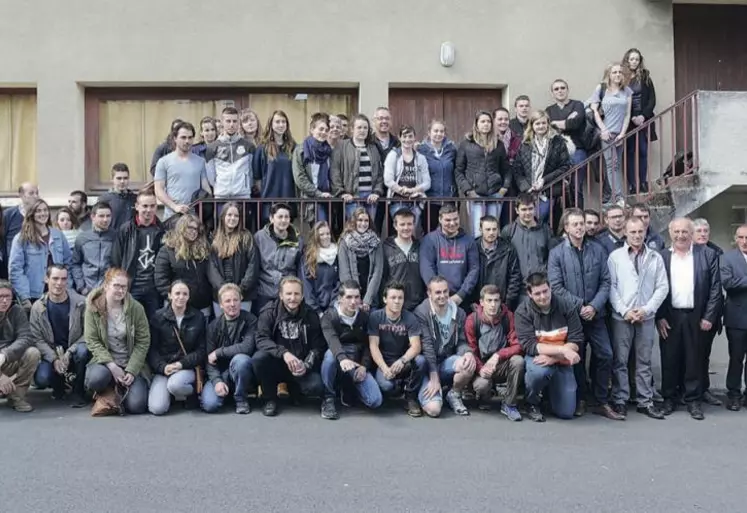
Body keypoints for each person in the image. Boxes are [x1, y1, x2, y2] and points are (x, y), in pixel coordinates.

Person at [547, 208, 622, 420]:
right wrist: (580, 306)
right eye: (575, 224)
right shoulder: (557, 254)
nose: (580, 228)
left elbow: (606, 281)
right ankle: (580, 398)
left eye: (582, 223)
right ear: (567, 227)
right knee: (577, 359)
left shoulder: (597, 250)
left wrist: (594, 306)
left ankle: (600, 400)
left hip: (596, 316)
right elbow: (556, 286)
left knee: (605, 354)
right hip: (572, 317)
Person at [656, 218, 722, 420]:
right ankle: (669, 398)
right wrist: (659, 317)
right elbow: (655, 288)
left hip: (697, 316)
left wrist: (709, 316)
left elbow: (715, 289)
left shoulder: (707, 255)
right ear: (670, 232)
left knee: (694, 360)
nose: (680, 235)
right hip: (671, 316)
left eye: (685, 231)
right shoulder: (662, 257)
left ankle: (693, 400)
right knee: (669, 358)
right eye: (676, 232)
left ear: (691, 233)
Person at [608, 217, 668, 419]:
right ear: (625, 232)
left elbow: (662, 287)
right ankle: (620, 400)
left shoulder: (655, 257)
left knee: (644, 362)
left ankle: (645, 401)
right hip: (621, 317)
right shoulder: (615, 257)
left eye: (640, 231)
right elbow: (611, 287)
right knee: (620, 361)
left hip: (646, 317)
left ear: (645, 232)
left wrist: (646, 309)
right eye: (632, 232)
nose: (637, 235)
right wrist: (625, 311)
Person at [514, 272, 583, 422]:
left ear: (550, 288)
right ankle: (531, 402)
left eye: (545, 291)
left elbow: (576, 340)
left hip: (561, 361)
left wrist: (555, 357)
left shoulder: (566, 305)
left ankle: (550, 395)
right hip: (538, 358)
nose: (543, 297)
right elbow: (530, 346)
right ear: (529, 294)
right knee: (538, 373)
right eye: (537, 293)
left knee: (566, 412)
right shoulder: (522, 311)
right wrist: (563, 350)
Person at [252, 276, 325, 417]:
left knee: (316, 386)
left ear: (302, 295)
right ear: (280, 295)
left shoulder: (310, 315)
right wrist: (284, 353)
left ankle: (294, 389)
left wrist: (307, 365)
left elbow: (318, 346)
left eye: (297, 294)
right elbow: (261, 339)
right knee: (259, 358)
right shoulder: (269, 312)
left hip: (300, 365)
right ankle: (269, 399)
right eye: (288, 294)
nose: (293, 298)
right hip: (277, 363)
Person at [84, 268, 150, 415]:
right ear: (106, 285)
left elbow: (143, 341)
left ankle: (116, 394)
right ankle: (106, 391)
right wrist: (112, 366)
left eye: (124, 287)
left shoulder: (136, 309)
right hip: (105, 363)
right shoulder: (93, 307)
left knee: (137, 407)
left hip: (129, 361)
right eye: (116, 286)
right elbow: (92, 340)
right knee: (96, 379)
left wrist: (132, 370)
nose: (120, 290)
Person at [320, 281, 382, 420]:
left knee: (375, 400)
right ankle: (328, 398)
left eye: (357, 297)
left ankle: (348, 387)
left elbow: (368, 344)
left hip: (357, 361)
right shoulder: (329, 317)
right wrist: (342, 358)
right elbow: (332, 340)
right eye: (348, 297)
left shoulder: (365, 317)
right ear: (340, 298)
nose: (353, 302)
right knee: (330, 356)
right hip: (337, 358)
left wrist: (364, 366)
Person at [414, 276, 474, 417]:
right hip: (427, 367)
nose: (442, 296)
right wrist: (434, 377)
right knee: (434, 410)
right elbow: (427, 346)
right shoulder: (421, 312)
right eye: (438, 292)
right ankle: (424, 391)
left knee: (467, 364)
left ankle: (453, 393)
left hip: (446, 362)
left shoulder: (459, 313)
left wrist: (467, 353)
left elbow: (461, 341)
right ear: (429, 294)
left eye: (445, 291)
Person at [31, 265, 90, 407]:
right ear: (46, 279)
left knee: (82, 351)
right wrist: (54, 359)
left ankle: (78, 392)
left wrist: (69, 352)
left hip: (74, 351)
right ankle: (59, 384)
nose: (59, 283)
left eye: (63, 279)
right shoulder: (38, 307)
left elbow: (88, 333)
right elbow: (37, 339)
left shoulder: (81, 302)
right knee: (42, 379)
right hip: (52, 353)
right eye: (55, 278)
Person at [147, 281, 206, 415]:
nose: (181, 297)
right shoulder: (157, 317)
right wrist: (162, 367)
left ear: (189, 297)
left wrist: (181, 364)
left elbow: (201, 350)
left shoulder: (198, 317)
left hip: (186, 366)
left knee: (175, 385)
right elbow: (152, 349)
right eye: (177, 293)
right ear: (169, 295)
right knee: (157, 408)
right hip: (164, 368)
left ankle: (192, 393)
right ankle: (168, 395)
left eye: (185, 294)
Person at [466, 285, 524, 421]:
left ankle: (509, 404)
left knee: (518, 361)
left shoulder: (508, 316)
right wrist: (480, 369)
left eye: (496, 300)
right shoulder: (472, 320)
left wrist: (498, 355)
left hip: (501, 363)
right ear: (481, 302)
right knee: (482, 386)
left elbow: (518, 345)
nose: (493, 305)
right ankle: (484, 397)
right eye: (489, 300)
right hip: (482, 366)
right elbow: (471, 349)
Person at [368, 281, 426, 417]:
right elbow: (373, 345)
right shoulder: (376, 317)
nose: (397, 301)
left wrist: (402, 361)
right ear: (384, 299)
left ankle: (410, 396)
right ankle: (397, 388)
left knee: (421, 361)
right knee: (386, 386)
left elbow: (416, 346)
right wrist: (384, 368)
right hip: (384, 362)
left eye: (400, 298)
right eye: (393, 298)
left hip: (403, 361)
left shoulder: (410, 317)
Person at [202, 283, 258, 414]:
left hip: (242, 372)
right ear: (221, 305)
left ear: (241, 300)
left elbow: (247, 347)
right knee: (210, 405)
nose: (232, 304)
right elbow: (209, 360)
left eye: (235, 300)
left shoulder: (251, 320)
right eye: (227, 301)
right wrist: (217, 381)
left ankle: (241, 399)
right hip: (221, 372)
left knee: (241, 360)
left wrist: (219, 352)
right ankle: (226, 391)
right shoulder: (213, 326)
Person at [454, 110, 511, 236]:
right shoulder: (466, 144)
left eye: (489, 121)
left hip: (495, 194)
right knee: (477, 232)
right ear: (476, 124)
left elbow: (506, 169)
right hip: (475, 195)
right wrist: (468, 190)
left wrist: (504, 189)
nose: (486, 124)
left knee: (493, 231)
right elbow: (458, 171)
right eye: (483, 121)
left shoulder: (498, 144)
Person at [110, 190, 165, 320]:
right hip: (132, 286)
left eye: (152, 206)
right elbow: (116, 259)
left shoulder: (162, 229)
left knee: (154, 325)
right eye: (145, 206)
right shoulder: (126, 229)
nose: (149, 210)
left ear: (156, 207)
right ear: (137, 206)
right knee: (130, 324)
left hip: (154, 288)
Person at [9, 199, 72, 310]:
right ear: (31, 214)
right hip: (33, 295)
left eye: (45, 210)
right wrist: (24, 297)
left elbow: (68, 263)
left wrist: (68, 287)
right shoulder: (21, 238)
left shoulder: (58, 235)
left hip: (58, 292)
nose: (43, 213)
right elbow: (15, 270)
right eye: (38, 211)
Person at [512, 110, 572, 225]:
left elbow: (565, 166)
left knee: (540, 219)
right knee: (527, 222)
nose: (541, 126)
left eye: (543, 123)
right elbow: (517, 170)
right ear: (532, 126)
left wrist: (544, 181)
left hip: (548, 190)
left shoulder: (557, 142)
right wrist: (527, 187)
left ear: (548, 124)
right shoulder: (525, 144)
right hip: (529, 193)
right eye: (537, 123)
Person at [419, 204, 479, 310]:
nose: (452, 223)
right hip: (436, 299)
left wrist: (461, 294)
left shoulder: (469, 241)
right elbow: (426, 269)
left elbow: (474, 269)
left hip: (461, 300)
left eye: (455, 219)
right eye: (447, 220)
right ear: (440, 220)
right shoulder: (430, 240)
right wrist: (439, 293)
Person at [590, 63, 633, 206]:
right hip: (606, 133)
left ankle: (617, 197)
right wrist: (603, 129)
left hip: (619, 134)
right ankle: (619, 197)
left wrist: (622, 133)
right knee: (612, 165)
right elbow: (594, 110)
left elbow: (627, 114)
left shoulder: (627, 91)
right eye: (614, 72)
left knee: (617, 164)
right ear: (609, 74)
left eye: (620, 72)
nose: (617, 74)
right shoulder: (601, 89)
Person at [154, 214, 212, 318]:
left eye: (196, 229)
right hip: (177, 306)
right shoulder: (168, 250)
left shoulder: (203, 250)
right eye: (190, 227)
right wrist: (177, 298)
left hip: (202, 305)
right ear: (181, 227)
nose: (194, 231)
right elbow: (161, 279)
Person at [207, 202, 259, 317]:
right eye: (229, 215)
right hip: (220, 294)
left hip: (243, 295)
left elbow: (253, 265)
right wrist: (223, 289)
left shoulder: (247, 237)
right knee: (222, 328)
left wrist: (240, 289)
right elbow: (211, 266)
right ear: (223, 217)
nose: (233, 218)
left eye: (236, 216)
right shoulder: (214, 238)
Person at [692, 217, 724, 406]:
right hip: (688, 314)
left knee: (704, 355)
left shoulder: (716, 252)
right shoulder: (685, 252)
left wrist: (710, 316)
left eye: (706, 231)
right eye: (699, 231)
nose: (703, 234)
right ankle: (687, 390)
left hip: (709, 315)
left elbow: (717, 289)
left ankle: (703, 389)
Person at [154, 121, 211, 220]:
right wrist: (174, 207)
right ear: (175, 138)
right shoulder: (164, 161)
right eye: (183, 137)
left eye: (190, 137)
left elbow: (206, 188)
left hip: (194, 218)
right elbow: (158, 190)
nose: (187, 141)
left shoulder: (200, 161)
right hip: (172, 217)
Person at [331, 113, 384, 220]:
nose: (362, 130)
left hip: (370, 197)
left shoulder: (373, 148)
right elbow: (335, 171)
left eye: (365, 128)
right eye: (359, 127)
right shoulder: (341, 146)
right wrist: (341, 193)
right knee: (354, 226)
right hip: (352, 197)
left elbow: (379, 173)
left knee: (369, 227)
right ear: (352, 129)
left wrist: (377, 192)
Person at [253, 203, 302, 315]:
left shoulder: (297, 240)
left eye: (286, 217)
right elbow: (255, 265)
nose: (283, 220)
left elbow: (299, 268)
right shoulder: (259, 237)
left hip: (287, 294)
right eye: (280, 217)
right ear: (271, 218)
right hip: (264, 291)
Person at [0, 280, 40, 412]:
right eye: (1, 297)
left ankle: (16, 396)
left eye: (8, 297)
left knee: (32, 353)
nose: (5, 301)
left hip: (6, 359)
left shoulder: (17, 311)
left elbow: (25, 337)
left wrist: (5, 355)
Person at [623, 48, 657, 194]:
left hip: (643, 118)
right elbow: (620, 99)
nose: (634, 62)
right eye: (631, 59)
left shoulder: (645, 76)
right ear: (627, 60)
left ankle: (643, 182)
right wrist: (631, 117)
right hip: (628, 120)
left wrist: (643, 116)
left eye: (636, 59)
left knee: (642, 150)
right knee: (630, 152)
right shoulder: (621, 77)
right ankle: (632, 184)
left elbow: (652, 99)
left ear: (640, 61)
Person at [254, 110, 298, 224]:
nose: (281, 125)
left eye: (284, 122)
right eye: (277, 122)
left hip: (289, 199)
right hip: (269, 201)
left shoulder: (293, 147)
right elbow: (257, 177)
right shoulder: (262, 148)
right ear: (271, 125)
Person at [470, 215, 522, 312]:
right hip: (477, 306)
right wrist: (471, 302)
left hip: (502, 306)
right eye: (488, 229)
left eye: (494, 229)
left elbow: (514, 278)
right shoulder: (472, 248)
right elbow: (467, 276)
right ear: (480, 230)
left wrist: (507, 303)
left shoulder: (508, 249)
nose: (491, 232)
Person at [720, 225, 747, 411]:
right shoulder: (727, 258)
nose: (745, 241)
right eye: (741, 237)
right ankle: (734, 395)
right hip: (737, 318)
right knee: (736, 358)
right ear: (735, 238)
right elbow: (728, 283)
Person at [384, 125, 430, 231]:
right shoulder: (393, 155)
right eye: (404, 136)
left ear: (414, 138)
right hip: (397, 201)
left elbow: (427, 182)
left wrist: (413, 190)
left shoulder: (420, 158)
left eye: (410, 136)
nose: (407, 139)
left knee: (412, 232)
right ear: (399, 138)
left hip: (416, 202)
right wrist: (402, 190)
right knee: (401, 231)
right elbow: (388, 179)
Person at [204, 107, 255, 203]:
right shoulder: (212, 147)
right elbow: (211, 176)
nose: (232, 124)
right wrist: (219, 188)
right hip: (221, 197)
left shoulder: (249, 146)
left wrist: (245, 186)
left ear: (238, 122)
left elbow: (252, 173)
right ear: (222, 122)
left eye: (235, 121)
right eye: (228, 121)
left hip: (243, 197)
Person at [292, 112, 334, 226]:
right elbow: (300, 178)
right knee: (320, 230)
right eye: (321, 129)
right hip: (311, 199)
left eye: (326, 130)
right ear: (312, 129)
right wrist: (318, 193)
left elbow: (333, 175)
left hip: (329, 199)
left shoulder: (329, 151)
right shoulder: (301, 150)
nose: (324, 132)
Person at [338, 207, 383, 312]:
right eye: (360, 220)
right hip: (351, 300)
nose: (363, 223)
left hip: (371, 299)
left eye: (366, 220)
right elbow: (345, 274)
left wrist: (367, 300)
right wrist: (355, 299)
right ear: (354, 221)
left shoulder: (376, 242)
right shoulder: (345, 242)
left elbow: (378, 272)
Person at [501, 193, 552, 283]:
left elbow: (551, 257)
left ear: (535, 209)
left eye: (530, 209)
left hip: (541, 285)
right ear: (517, 210)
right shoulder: (508, 230)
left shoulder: (545, 230)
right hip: (518, 286)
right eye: (524, 209)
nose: (527, 213)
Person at [381, 209, 425, 312]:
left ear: (414, 225)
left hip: (417, 305)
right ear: (395, 226)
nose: (406, 228)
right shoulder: (386, 248)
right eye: (402, 224)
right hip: (394, 304)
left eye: (409, 224)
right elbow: (382, 277)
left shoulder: (420, 247)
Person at [418, 119, 457, 232]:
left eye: (441, 131)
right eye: (435, 131)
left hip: (449, 198)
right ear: (429, 132)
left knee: (449, 231)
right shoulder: (421, 150)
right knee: (429, 232)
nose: (438, 134)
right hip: (430, 200)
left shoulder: (452, 149)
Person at [71, 202, 115, 295]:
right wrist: (81, 287)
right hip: (87, 289)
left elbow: (119, 264)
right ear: (93, 217)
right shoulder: (82, 238)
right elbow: (75, 263)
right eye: (101, 216)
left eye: (108, 216)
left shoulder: (116, 237)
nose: (105, 219)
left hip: (108, 289)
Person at [546, 79, 589, 168]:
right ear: (552, 93)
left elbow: (575, 123)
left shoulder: (578, 104)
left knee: (577, 179)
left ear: (567, 90)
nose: (560, 91)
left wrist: (554, 123)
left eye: (562, 88)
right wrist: (567, 120)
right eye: (556, 89)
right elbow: (548, 128)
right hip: (557, 151)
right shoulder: (549, 110)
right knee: (560, 180)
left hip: (577, 149)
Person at [301, 221, 339, 316]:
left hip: (333, 308)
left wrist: (332, 307)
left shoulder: (337, 254)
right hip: (313, 309)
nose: (326, 237)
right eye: (321, 234)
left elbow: (338, 283)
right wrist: (316, 310)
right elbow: (306, 286)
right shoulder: (308, 257)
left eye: (328, 233)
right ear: (315, 237)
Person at [2, 182, 39, 259]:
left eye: (37, 193)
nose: (36, 196)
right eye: (31, 193)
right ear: (21, 195)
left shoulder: (42, 215)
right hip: (12, 262)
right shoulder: (8, 215)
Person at [99, 163, 137, 231]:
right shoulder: (104, 199)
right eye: (119, 178)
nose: (122, 181)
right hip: (112, 238)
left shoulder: (135, 198)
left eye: (125, 178)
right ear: (112, 179)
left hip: (131, 238)